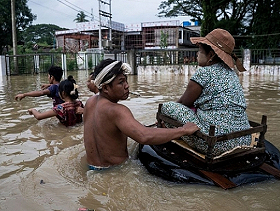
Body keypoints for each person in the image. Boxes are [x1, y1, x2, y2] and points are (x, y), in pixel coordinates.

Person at [83, 59, 199, 170]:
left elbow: (108, 132)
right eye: (121, 82)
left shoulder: (89, 103)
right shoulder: (117, 110)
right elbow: (144, 136)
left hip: (92, 168)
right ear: (106, 88)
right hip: (117, 171)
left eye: (126, 80)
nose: (127, 85)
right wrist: (183, 130)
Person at [161, 28, 250, 156]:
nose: (197, 54)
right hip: (243, 139)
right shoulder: (232, 73)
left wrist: (167, 115)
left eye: (200, 51)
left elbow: (183, 103)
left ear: (211, 55)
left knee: (167, 107)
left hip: (216, 144)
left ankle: (172, 131)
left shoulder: (204, 72)